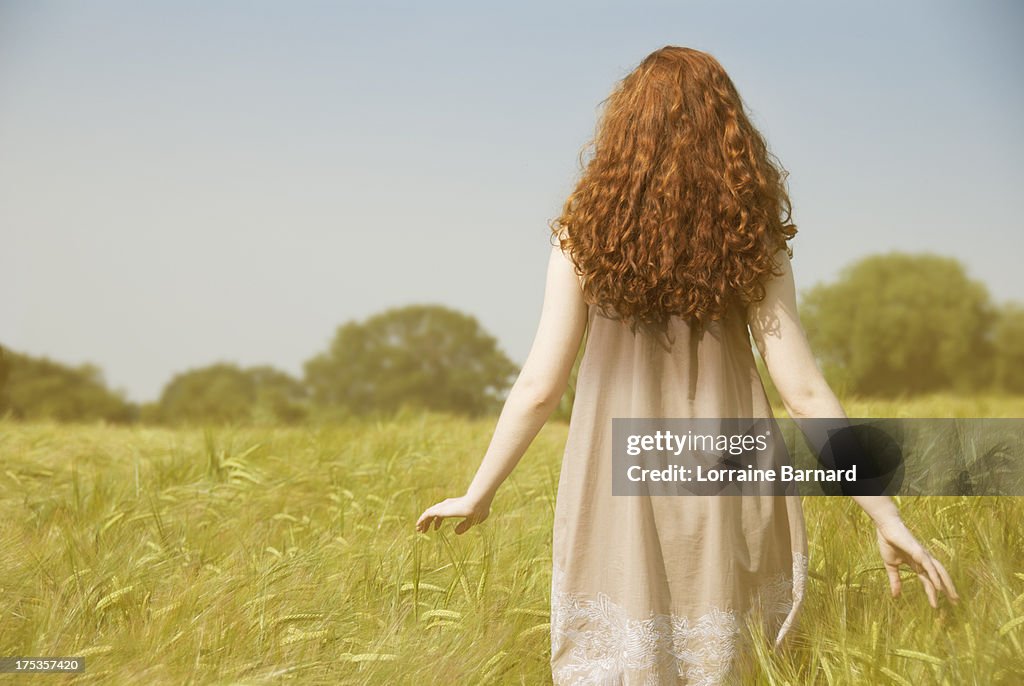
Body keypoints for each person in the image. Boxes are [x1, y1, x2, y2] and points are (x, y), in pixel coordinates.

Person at [415, 45, 958, 685]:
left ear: (623, 131)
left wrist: (480, 494)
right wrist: (884, 513)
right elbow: (805, 393)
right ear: (728, 131)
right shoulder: (751, 240)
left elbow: (540, 387)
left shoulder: (581, 237)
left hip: (617, 494)